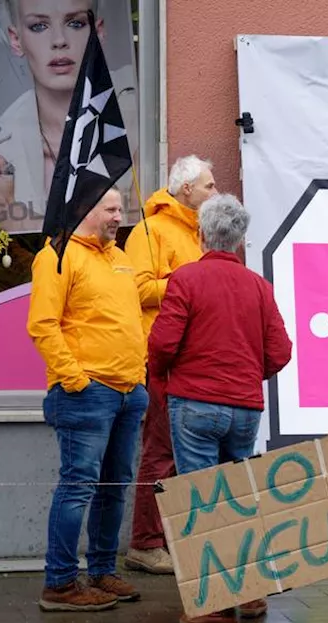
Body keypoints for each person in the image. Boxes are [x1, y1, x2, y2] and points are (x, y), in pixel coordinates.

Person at [147, 193, 292, 623]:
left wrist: (165, 376)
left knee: (200, 503)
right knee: (237, 498)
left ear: (200, 233)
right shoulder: (258, 286)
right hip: (244, 406)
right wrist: (250, 375)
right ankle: (248, 593)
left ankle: (210, 605)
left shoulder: (186, 279)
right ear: (241, 240)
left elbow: (162, 343)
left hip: (195, 404)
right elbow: (281, 351)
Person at [26, 187, 148, 611]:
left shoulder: (120, 259)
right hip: (86, 393)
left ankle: (100, 572)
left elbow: (129, 320)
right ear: (85, 209)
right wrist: (76, 380)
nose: (120, 216)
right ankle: (59, 583)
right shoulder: (57, 255)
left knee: (113, 487)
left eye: (121, 209)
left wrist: (141, 375)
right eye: (111, 209)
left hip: (129, 392)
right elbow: (42, 325)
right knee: (78, 486)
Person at [121, 154, 215, 574]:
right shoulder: (150, 229)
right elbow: (136, 290)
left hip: (191, 357)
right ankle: (144, 542)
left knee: (181, 454)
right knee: (160, 453)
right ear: (186, 189)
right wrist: (191, 281)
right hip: (160, 358)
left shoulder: (199, 233)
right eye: (209, 185)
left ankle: (168, 537)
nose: (216, 191)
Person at [0, 0, 139, 232]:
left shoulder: (135, 126)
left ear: (98, 32)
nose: (59, 41)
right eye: (39, 26)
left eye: (76, 23)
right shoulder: (0, 149)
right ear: (15, 38)